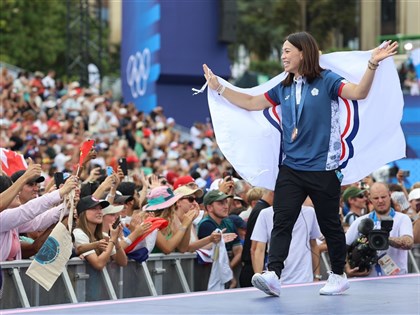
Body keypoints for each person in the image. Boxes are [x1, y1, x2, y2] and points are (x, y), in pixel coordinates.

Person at [202, 32, 398, 295]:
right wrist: (219, 87)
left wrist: (372, 63)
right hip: (292, 168)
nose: (282, 56)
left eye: (287, 51)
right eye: (282, 52)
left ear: (303, 53)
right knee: (282, 221)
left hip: (324, 168)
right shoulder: (283, 88)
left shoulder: (327, 80)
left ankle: (338, 275)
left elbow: (360, 92)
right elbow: (250, 102)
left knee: (329, 224)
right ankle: (273, 274)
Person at [345, 182, 413, 277]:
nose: (380, 201)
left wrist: (383, 239)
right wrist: (347, 268)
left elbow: (408, 243)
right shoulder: (361, 221)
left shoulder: (402, 219)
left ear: (389, 195)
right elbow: (343, 246)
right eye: (376, 198)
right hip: (367, 281)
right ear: (370, 199)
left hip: (397, 281)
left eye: (383, 197)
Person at [251, 204, 322, 286]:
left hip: (305, 280)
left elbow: (314, 245)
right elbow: (258, 250)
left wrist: (317, 276)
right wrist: (260, 283)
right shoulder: (265, 214)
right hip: (277, 281)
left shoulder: (310, 212)